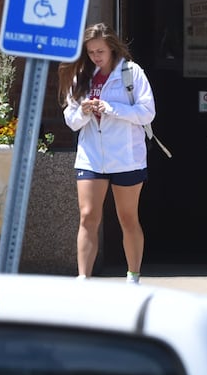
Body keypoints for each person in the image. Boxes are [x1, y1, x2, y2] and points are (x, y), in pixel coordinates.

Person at [60, 23, 155, 283]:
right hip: (91, 155)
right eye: (91, 52)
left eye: (100, 51)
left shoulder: (131, 72)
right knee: (88, 215)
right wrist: (85, 111)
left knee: (127, 217)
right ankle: (83, 278)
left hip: (126, 156)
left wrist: (111, 108)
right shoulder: (82, 75)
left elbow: (148, 112)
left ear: (112, 47)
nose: (96, 57)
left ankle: (133, 275)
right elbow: (71, 120)